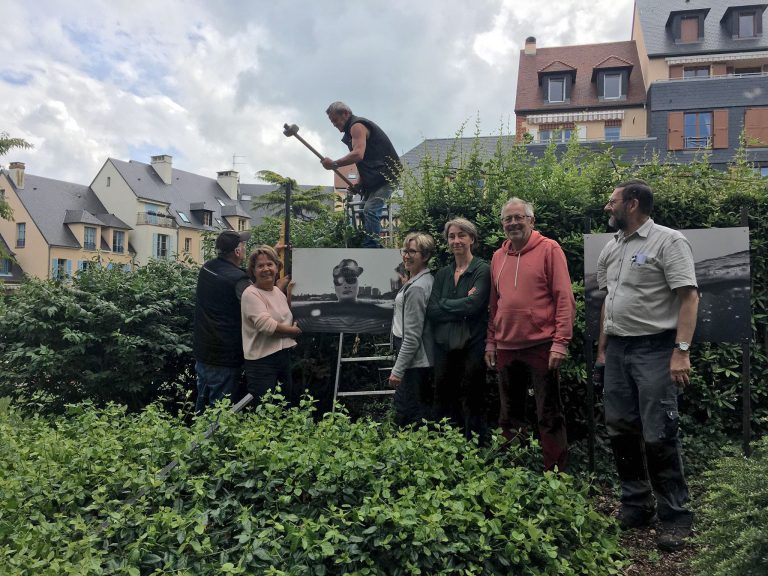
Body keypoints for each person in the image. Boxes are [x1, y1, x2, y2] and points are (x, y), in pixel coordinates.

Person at [595, 179, 698, 552]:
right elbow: (608, 302)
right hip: (619, 351)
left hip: (656, 349)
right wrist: (602, 353)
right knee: (620, 428)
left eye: (612, 200)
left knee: (659, 432)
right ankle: (636, 504)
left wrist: (681, 351)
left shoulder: (669, 242)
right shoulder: (611, 248)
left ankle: (675, 515)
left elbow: (688, 297)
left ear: (633, 204)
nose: (608, 207)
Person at [485, 198, 575, 472]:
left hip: (542, 346)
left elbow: (564, 297)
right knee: (509, 415)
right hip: (507, 347)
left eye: (518, 217)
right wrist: (491, 341)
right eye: (507, 219)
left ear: (531, 221)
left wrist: (560, 342)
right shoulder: (497, 257)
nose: (513, 223)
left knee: (548, 413)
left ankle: (555, 474)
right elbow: (494, 303)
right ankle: (516, 470)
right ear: (502, 224)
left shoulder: (549, 249)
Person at [427, 218, 490, 442]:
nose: (456, 240)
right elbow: (432, 310)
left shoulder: (482, 270)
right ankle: (446, 448)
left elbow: (474, 306)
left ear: (471, 239)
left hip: (472, 346)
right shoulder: (443, 274)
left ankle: (475, 450)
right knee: (443, 398)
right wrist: (460, 304)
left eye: (461, 235)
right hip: (444, 347)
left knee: (472, 397)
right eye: (452, 236)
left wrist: (446, 304)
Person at [321, 101, 401, 248]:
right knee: (364, 211)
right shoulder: (350, 133)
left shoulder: (357, 126)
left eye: (335, 120)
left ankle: (372, 246)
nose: (334, 124)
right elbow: (363, 163)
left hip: (387, 176)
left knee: (370, 209)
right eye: (332, 121)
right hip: (374, 178)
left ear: (345, 113)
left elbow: (358, 154)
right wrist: (359, 182)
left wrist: (334, 164)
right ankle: (370, 242)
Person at [193, 230, 251, 413]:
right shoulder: (239, 281)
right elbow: (256, 305)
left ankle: (197, 440)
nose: (245, 247)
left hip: (203, 351)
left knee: (202, 405)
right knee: (220, 413)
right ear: (237, 252)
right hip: (225, 356)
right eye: (243, 245)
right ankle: (214, 441)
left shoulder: (208, 267)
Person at [241, 245, 302, 404]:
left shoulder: (276, 291)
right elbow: (267, 326)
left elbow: (285, 317)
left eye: (270, 264)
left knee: (284, 406)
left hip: (282, 358)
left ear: (277, 267)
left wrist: (288, 295)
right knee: (265, 410)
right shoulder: (250, 294)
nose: (266, 269)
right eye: (260, 266)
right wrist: (293, 332)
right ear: (253, 271)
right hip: (261, 363)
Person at [390, 232, 435, 426]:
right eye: (405, 251)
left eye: (412, 252)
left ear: (425, 256)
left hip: (415, 360)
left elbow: (413, 336)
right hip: (415, 359)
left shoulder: (417, 288)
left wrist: (397, 371)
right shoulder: (417, 282)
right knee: (416, 409)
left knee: (408, 412)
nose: (406, 256)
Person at [291, 257, 392, 333]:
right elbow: (289, 319)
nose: (346, 285)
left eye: (351, 279)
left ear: (358, 283)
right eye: (339, 281)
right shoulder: (314, 319)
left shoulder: (378, 319)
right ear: (334, 286)